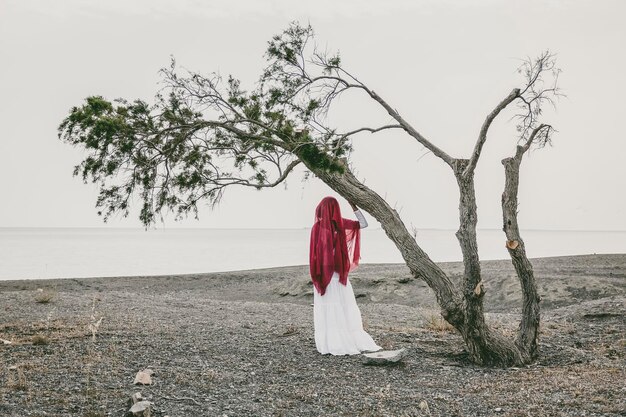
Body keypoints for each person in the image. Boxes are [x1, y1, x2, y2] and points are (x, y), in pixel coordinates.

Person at [309, 196, 381, 355]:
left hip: (327, 275)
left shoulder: (318, 227)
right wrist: (354, 206)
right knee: (341, 306)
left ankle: (332, 342)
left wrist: (317, 275)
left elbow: (314, 255)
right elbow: (364, 223)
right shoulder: (339, 225)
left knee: (331, 307)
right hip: (336, 274)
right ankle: (342, 339)